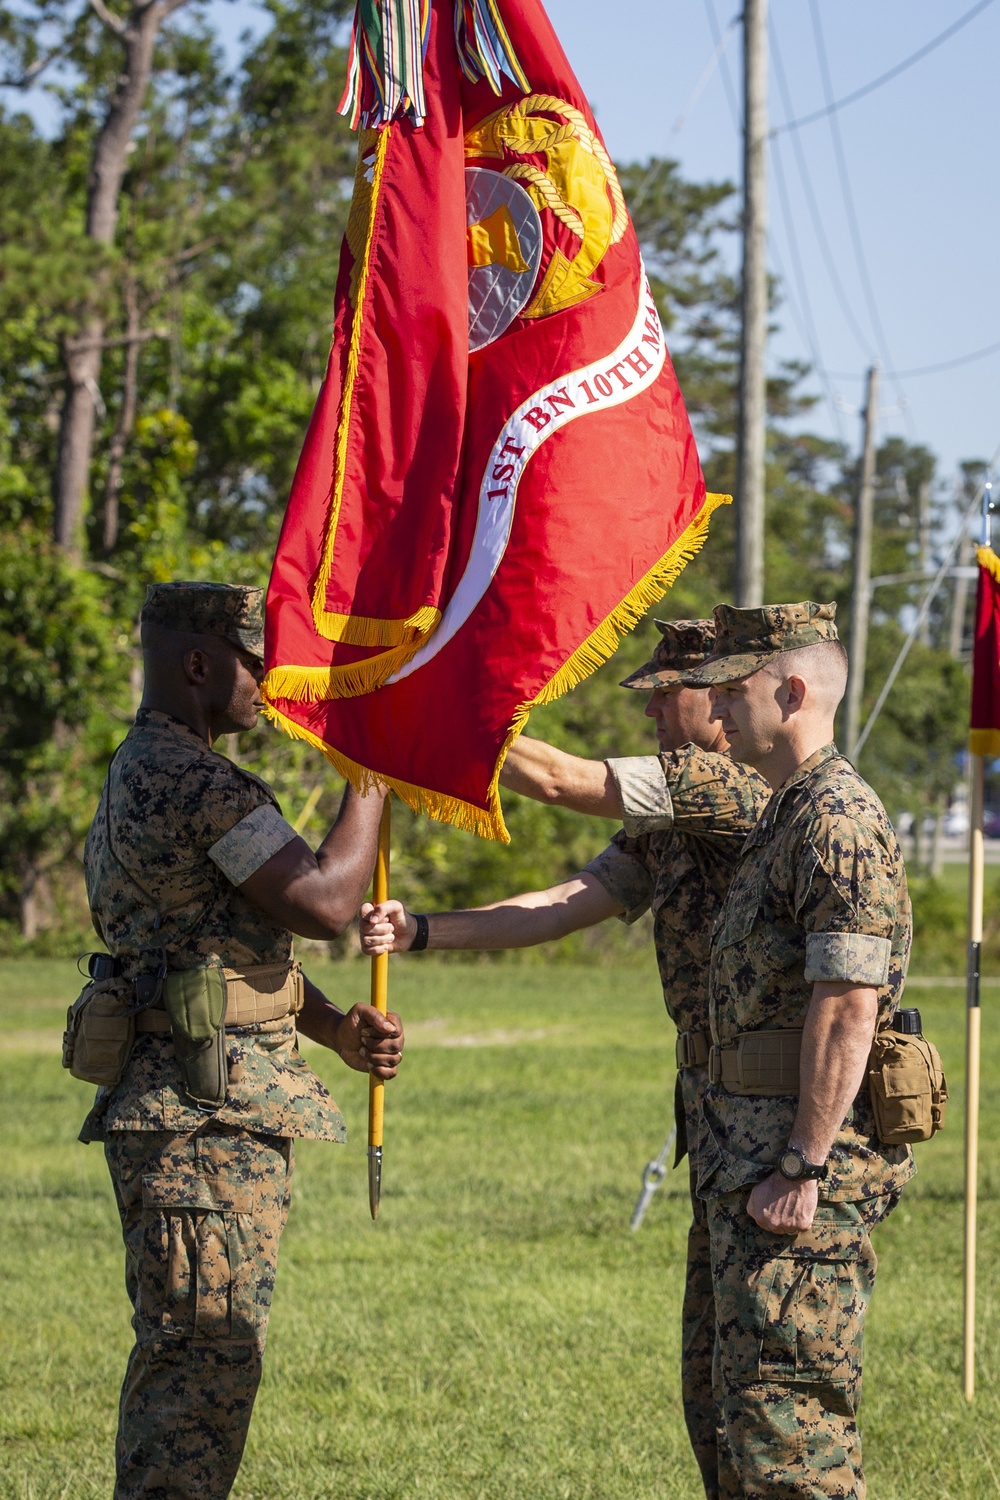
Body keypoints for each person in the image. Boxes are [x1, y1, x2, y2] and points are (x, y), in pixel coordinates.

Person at [361, 618, 768, 1499]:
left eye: (671, 694)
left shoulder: (721, 781)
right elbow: (562, 903)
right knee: (713, 1392)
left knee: (768, 1399)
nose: (654, 710)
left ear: (724, 702)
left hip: (772, 1117)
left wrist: (438, 695)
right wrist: (424, 930)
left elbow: (559, 778)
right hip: (719, 1116)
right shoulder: (672, 816)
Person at [80, 581, 404, 1500]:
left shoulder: (138, 766)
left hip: (194, 1096)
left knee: (199, 1363)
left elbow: (211, 959)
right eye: (259, 664)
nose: (273, 683)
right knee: (199, 1372)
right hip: (200, 1122)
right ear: (199, 664)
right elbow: (328, 902)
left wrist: (333, 1027)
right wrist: (371, 769)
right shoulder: (189, 776)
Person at [683, 601, 914, 1499]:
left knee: (789, 1438)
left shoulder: (837, 819)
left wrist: (803, 1161)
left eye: (732, 692)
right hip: (747, 1163)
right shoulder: (787, 811)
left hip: (792, 1173)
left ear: (791, 690)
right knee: (737, 1421)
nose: (719, 711)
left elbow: (850, 1002)